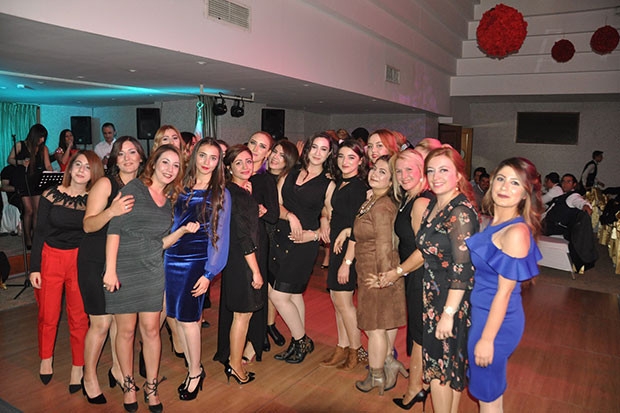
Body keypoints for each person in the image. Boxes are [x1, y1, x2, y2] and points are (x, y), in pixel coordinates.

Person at [102, 145, 198, 413]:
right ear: (153, 163)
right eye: (165, 162)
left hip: (152, 270)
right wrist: (110, 270)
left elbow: (160, 243)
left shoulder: (168, 200)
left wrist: (182, 232)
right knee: (126, 331)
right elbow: (114, 230)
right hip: (123, 269)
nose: (170, 169)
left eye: (176, 165)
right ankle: (129, 386)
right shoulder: (134, 189)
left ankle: (151, 387)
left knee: (152, 331)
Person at [466, 157, 543, 412]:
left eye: (515, 183)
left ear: (525, 193)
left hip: (496, 323)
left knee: (487, 394)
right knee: (490, 393)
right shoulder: (494, 222)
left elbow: (504, 292)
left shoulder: (515, 232)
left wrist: (487, 339)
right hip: (483, 314)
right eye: (501, 179)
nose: (505, 187)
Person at [79, 136, 146, 404]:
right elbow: (88, 225)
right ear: (115, 159)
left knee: (122, 323)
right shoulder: (106, 184)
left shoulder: (144, 186)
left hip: (125, 262)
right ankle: (88, 377)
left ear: (141, 157)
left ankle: (118, 370)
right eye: (121, 153)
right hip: (95, 260)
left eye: (132, 152)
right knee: (102, 323)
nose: (127, 158)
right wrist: (112, 211)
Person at [29, 151, 103, 392]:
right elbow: (39, 232)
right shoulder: (50, 194)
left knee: (79, 317)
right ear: (69, 168)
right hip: (50, 258)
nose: (81, 170)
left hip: (80, 260)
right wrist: (34, 267)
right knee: (47, 314)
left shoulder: (95, 198)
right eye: (77, 164)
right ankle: (46, 359)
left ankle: (78, 366)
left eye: (87, 167)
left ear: (94, 173)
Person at [165, 138, 230, 401]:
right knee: (177, 318)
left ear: (218, 162)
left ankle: (195, 372)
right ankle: (193, 365)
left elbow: (220, 236)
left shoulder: (220, 193)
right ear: (194, 156)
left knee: (189, 320)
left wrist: (209, 273)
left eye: (213, 158)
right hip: (170, 257)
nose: (206, 162)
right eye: (202, 155)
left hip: (195, 261)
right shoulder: (180, 185)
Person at [415, 145, 479, 413]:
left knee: (439, 368)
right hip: (435, 295)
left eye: (444, 170)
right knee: (447, 366)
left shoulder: (459, 212)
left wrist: (448, 314)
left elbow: (463, 268)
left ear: (459, 175)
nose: (436, 176)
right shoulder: (434, 204)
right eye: (431, 171)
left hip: (449, 298)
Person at [339, 155, 405, 395]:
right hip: (369, 270)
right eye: (374, 169)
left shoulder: (382, 206)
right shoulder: (372, 200)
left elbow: (386, 245)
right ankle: (389, 364)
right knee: (381, 324)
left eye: (382, 172)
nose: (375, 174)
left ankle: (376, 375)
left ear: (392, 180)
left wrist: (383, 277)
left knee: (374, 327)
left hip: (377, 273)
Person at [269, 133, 336, 364]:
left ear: (329, 154)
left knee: (278, 296)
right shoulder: (290, 173)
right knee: (294, 293)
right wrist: (291, 216)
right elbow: (276, 204)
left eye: (323, 149)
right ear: (307, 149)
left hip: (303, 245)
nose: (317, 153)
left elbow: (332, 218)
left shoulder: (328, 184)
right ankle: (300, 339)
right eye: (314, 147)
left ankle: (300, 340)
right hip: (280, 239)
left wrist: (316, 232)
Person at [377, 149, 432, 410]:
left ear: (422, 170)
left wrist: (397, 272)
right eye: (399, 171)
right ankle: (423, 382)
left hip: (422, 274)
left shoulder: (421, 202)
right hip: (414, 272)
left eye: (409, 169)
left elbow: (425, 249)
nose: (403, 175)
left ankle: (415, 389)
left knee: (420, 335)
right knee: (419, 331)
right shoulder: (409, 198)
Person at [214, 144, 265, 384]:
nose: (245, 166)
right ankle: (235, 366)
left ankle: (234, 362)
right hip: (243, 262)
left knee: (240, 315)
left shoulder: (232, 191)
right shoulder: (236, 195)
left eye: (249, 161)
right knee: (242, 317)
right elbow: (244, 236)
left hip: (235, 260)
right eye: (238, 163)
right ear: (228, 167)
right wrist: (255, 271)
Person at [322, 139, 369, 370]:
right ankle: (342, 346)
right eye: (341, 156)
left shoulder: (359, 188)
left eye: (351, 157)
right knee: (337, 299)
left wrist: (347, 263)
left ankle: (356, 349)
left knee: (344, 301)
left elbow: (358, 227)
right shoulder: (342, 182)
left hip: (350, 249)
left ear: (360, 161)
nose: (345, 161)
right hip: (337, 247)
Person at [244, 132, 279, 360]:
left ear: (268, 154)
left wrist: (259, 209)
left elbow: (273, 215)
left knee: (256, 292)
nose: (255, 149)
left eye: (262, 146)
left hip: (257, 242)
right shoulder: (235, 173)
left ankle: (255, 340)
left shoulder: (265, 180)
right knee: (239, 292)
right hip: (236, 242)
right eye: (253, 143)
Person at [264, 139, 299, 348]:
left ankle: (270, 324)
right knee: (265, 285)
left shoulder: (289, 179)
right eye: (275, 152)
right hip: (261, 234)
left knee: (274, 284)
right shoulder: (260, 176)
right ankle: (263, 327)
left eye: (282, 155)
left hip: (279, 237)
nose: (276, 157)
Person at [7, 123, 53, 249]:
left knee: (37, 210)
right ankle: (27, 237)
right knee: (29, 210)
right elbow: (10, 159)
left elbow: (48, 165)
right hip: (23, 180)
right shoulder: (20, 145)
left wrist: (51, 173)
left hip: (37, 181)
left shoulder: (44, 149)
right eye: (40, 137)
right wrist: (21, 162)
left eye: (44, 138)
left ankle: (35, 237)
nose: (42, 140)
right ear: (34, 135)